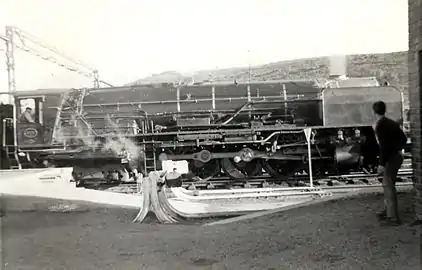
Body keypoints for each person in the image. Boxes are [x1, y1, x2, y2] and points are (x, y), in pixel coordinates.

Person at [372, 101, 407, 225]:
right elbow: (404, 139)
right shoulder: (390, 122)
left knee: (388, 185)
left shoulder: (380, 125)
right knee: (388, 184)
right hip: (396, 155)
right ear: (384, 110)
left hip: (392, 157)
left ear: (374, 111)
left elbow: (384, 147)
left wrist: (381, 164)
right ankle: (387, 211)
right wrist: (396, 147)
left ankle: (393, 218)